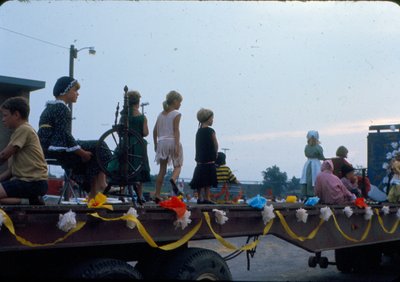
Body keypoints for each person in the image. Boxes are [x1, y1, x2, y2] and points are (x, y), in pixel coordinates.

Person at [38, 76, 111, 200]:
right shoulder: (62, 108)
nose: (77, 94)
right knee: (100, 145)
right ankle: (99, 185)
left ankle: (94, 189)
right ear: (65, 91)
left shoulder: (50, 108)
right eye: (75, 90)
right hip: (56, 149)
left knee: (95, 149)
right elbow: (64, 136)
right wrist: (81, 153)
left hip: (47, 148)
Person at [0, 97, 48, 204]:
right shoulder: (19, 134)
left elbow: (3, 156)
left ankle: (29, 200)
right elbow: (11, 171)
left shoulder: (24, 129)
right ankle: (28, 201)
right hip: (29, 183)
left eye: (5, 115)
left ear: (16, 115)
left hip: (32, 182)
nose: (3, 119)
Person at [107, 91, 150, 205]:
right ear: (138, 101)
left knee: (122, 167)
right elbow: (145, 133)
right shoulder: (142, 117)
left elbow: (120, 132)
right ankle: (140, 195)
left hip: (125, 144)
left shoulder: (123, 116)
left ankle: (121, 194)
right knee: (140, 171)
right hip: (138, 145)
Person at [153, 90, 183, 203]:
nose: (180, 105)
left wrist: (156, 144)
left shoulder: (160, 114)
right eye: (179, 102)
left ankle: (157, 194)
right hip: (172, 141)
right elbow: (176, 130)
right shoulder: (176, 114)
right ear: (174, 101)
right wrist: (176, 145)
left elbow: (154, 131)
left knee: (162, 170)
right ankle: (173, 179)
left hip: (161, 143)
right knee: (178, 165)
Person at [189, 108, 218, 204]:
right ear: (207, 119)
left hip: (200, 160)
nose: (212, 120)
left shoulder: (199, 131)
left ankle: (199, 197)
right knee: (208, 180)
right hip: (209, 159)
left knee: (200, 178)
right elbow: (215, 143)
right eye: (212, 118)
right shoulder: (210, 131)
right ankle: (207, 197)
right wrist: (216, 152)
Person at [300, 130, 325, 198]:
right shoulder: (318, 147)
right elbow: (321, 157)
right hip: (316, 164)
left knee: (307, 179)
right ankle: (315, 194)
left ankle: (307, 194)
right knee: (315, 178)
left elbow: (306, 154)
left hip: (308, 163)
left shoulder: (306, 147)